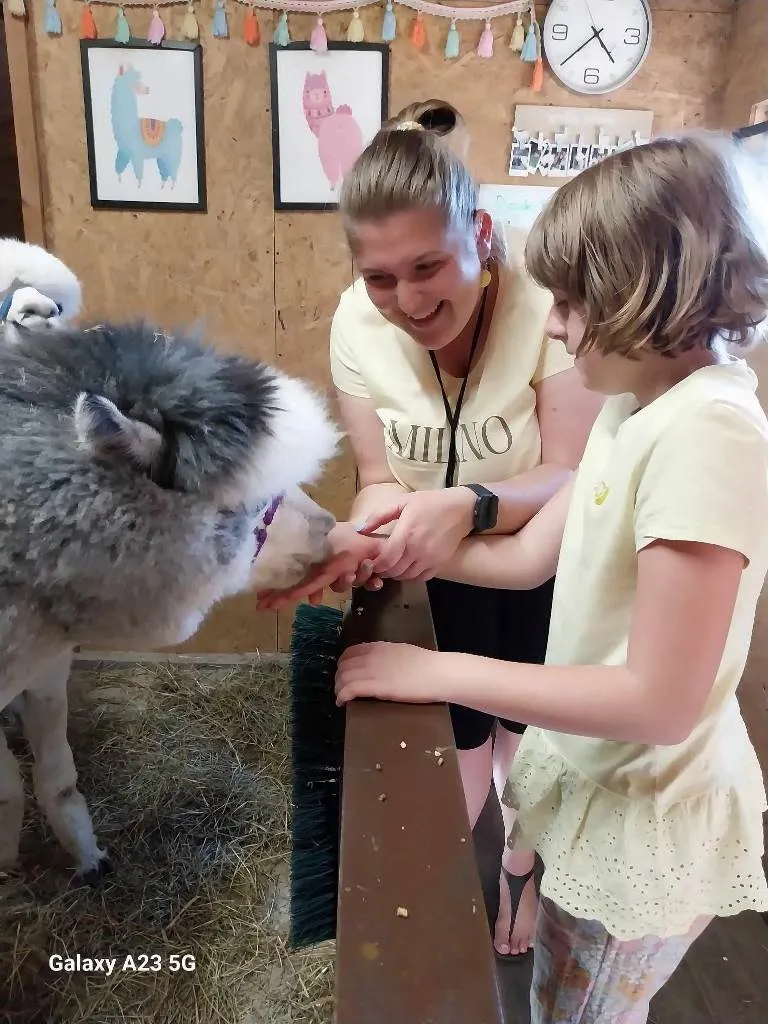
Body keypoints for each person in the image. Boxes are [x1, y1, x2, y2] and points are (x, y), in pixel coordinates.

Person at [327, 132, 768, 1022]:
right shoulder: (633, 407)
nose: (557, 328)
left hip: (647, 803)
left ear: (649, 291)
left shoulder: (710, 432)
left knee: (583, 1010)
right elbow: (532, 558)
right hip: (595, 778)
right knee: (553, 989)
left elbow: (659, 702)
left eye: (571, 304)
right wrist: (374, 546)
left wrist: (433, 671)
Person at [258, 98, 602, 957]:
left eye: (427, 265)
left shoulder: (547, 311)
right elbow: (378, 478)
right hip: (433, 565)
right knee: (459, 746)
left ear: (479, 234)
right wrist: (365, 533)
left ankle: (518, 871)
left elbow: (567, 468)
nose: (406, 301)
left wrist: (472, 504)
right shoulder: (354, 323)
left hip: (544, 554)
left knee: (530, 749)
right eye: (379, 278)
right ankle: (441, 899)